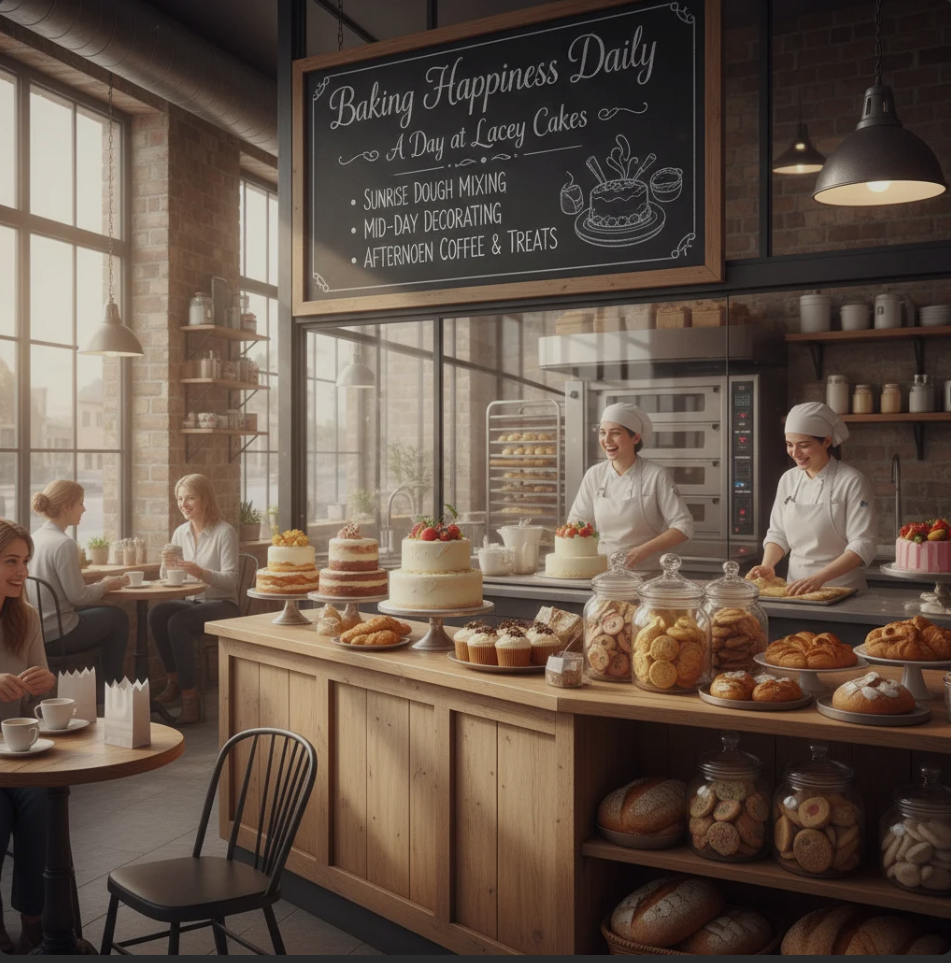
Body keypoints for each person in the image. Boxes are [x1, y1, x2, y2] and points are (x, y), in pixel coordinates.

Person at [749, 402, 878, 595]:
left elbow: (863, 544)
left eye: (804, 445)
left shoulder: (851, 481)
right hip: (796, 592)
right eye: (789, 445)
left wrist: (819, 579)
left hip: (844, 592)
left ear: (826, 441)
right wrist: (767, 566)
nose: (795, 453)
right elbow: (778, 533)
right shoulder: (788, 479)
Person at [0, 519, 56, 954]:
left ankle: (33, 918)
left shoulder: (26, 616)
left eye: (24, 562)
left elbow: (40, 692)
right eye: (10, 562)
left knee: (41, 803)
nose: (21, 572)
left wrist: (44, 683)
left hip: (17, 749)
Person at [149, 474, 239, 725]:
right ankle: (175, 681)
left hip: (224, 605)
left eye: (190, 497)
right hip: (192, 602)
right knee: (157, 614)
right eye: (180, 498)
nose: (183, 503)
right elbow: (169, 577)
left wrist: (201, 573)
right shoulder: (180, 532)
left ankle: (190, 697)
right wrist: (166, 566)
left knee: (177, 622)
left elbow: (232, 580)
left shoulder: (224, 532)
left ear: (205, 499)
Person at [568, 402, 694, 569]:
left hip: (646, 575)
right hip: (602, 573)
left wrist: (644, 550)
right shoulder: (594, 475)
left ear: (635, 438)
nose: (606, 440)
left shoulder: (656, 475)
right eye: (602, 433)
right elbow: (577, 522)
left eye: (615, 433)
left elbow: (683, 527)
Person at [28, 481, 130, 682]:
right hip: (58, 636)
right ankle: (112, 688)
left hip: (36, 633)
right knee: (118, 617)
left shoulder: (34, 537)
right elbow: (78, 597)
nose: (84, 509)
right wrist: (106, 585)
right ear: (66, 507)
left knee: (103, 614)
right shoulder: (64, 544)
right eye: (80, 504)